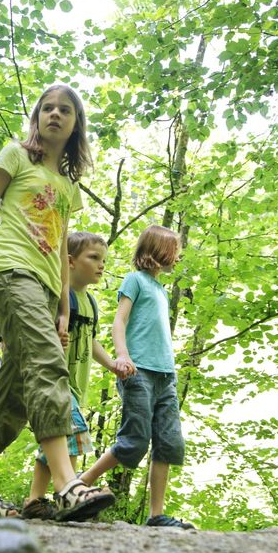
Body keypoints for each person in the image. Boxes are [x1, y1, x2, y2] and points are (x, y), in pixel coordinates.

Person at [0, 83, 115, 522]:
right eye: (47, 107)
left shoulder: (69, 184)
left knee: (13, 393)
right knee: (51, 368)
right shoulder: (14, 155)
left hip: (48, 289)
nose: (54, 114)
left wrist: (65, 308)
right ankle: (69, 483)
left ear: (75, 123)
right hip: (11, 273)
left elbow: (60, 249)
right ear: (37, 117)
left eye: (64, 109)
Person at [80, 224, 195, 529]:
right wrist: (122, 355)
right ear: (158, 252)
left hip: (165, 376)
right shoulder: (135, 281)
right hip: (138, 372)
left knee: (169, 442)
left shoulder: (160, 289)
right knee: (135, 440)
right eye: (174, 250)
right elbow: (120, 321)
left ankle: (156, 515)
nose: (177, 255)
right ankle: (81, 484)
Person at [22, 230, 127, 519]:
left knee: (57, 441)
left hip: (76, 385)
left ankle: (35, 501)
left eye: (103, 259)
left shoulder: (90, 302)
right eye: (93, 258)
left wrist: (112, 364)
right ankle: (68, 493)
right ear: (69, 261)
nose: (101, 265)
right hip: (55, 380)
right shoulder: (59, 293)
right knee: (73, 437)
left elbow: (91, 341)